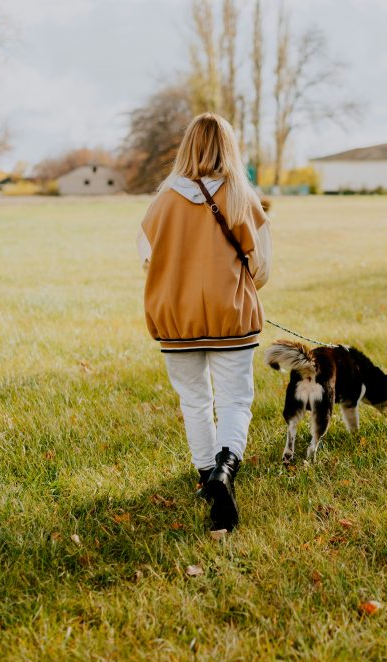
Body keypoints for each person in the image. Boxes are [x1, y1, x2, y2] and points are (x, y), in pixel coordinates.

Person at [136, 112, 271, 532]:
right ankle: (225, 471)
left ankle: (204, 475)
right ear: (228, 147)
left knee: (194, 400)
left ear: (187, 146)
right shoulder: (240, 198)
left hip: (177, 320)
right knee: (235, 401)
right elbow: (261, 265)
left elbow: (146, 259)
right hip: (230, 318)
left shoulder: (161, 202)